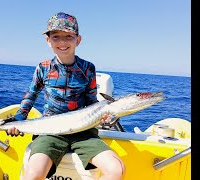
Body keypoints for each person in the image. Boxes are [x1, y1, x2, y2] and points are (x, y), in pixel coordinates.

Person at [7, 12, 126, 180]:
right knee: (32, 174)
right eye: (56, 37)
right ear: (48, 41)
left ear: (78, 40)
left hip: (83, 131)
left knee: (116, 170)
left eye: (68, 36)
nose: (62, 42)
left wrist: (104, 117)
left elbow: (92, 102)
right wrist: (18, 120)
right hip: (49, 131)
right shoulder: (43, 68)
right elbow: (31, 95)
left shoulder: (87, 68)